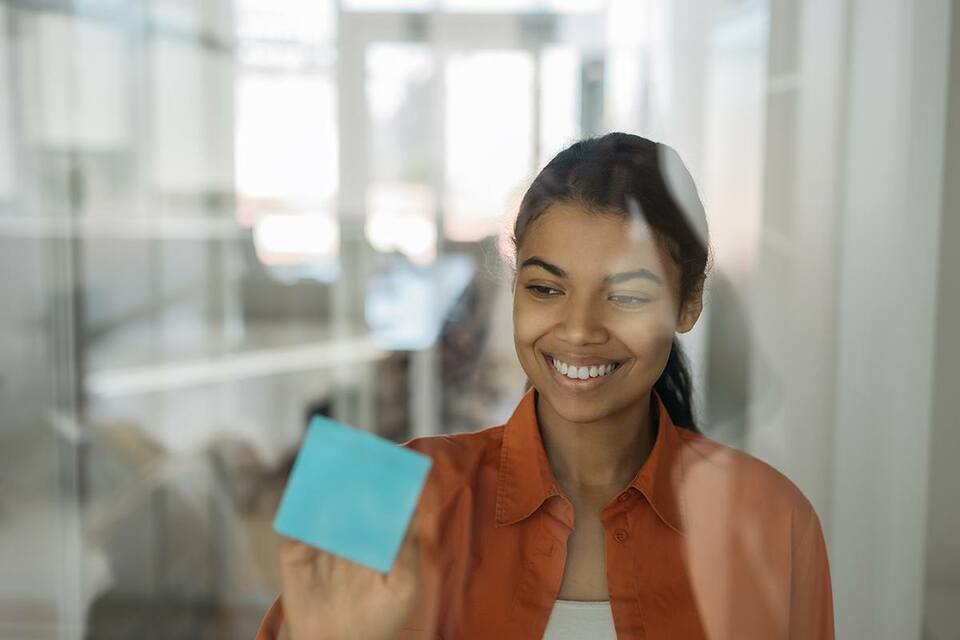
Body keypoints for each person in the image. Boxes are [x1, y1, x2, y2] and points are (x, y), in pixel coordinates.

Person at [256, 133, 834, 640]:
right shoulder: (365, 496)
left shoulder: (774, 518)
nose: (580, 329)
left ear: (688, 304)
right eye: (546, 289)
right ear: (513, 292)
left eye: (627, 295)